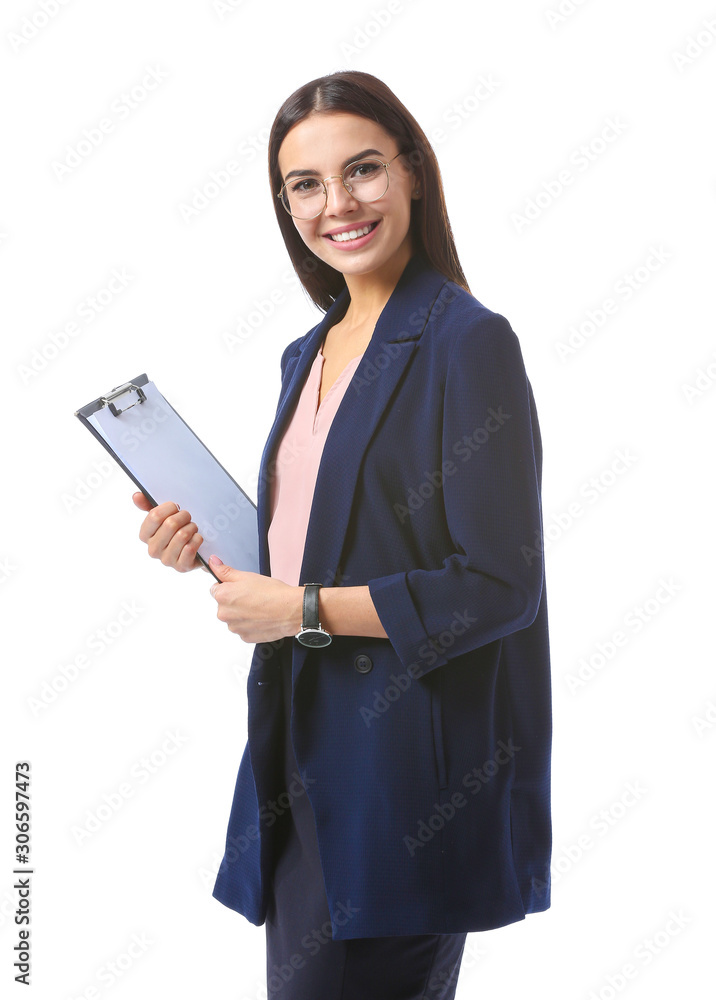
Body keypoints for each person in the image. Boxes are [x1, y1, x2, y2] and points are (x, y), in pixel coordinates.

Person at [133, 70, 552, 1000]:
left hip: (401, 788)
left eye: (362, 170)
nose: (338, 204)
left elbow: (497, 585)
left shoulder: (466, 342)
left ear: (411, 171)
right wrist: (205, 548)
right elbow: (309, 552)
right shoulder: (309, 350)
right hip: (298, 763)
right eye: (306, 185)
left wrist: (304, 609)